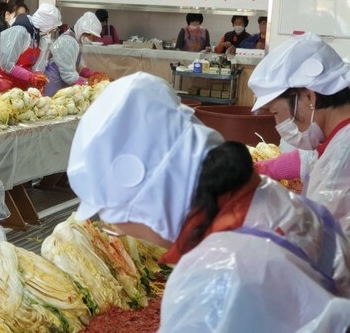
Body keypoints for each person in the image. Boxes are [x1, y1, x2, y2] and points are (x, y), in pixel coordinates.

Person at [68, 71, 350, 332]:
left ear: (146, 201)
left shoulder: (211, 275)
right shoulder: (278, 201)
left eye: (115, 218)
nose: (124, 229)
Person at [248, 32, 350, 234]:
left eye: (275, 112)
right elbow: (307, 159)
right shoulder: (331, 134)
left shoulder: (343, 157)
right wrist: (255, 171)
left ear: (308, 97)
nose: (278, 123)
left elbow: (316, 239)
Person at [44, 11, 108, 96]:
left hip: (61, 85)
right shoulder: (67, 42)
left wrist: (92, 74)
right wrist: (88, 84)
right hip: (54, 85)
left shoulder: (76, 41)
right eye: (91, 36)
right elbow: (68, 76)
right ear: (83, 31)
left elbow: (77, 66)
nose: (92, 39)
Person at [0, 13, 48, 91]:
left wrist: (39, 77)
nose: (50, 32)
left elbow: (37, 66)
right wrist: (30, 76)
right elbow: (7, 64)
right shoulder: (19, 32)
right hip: (4, 81)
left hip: (22, 85)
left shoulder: (40, 38)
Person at [0, 0, 29, 68]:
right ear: (7, 15)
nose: (21, 19)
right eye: (18, 15)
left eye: (23, 16)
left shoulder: (15, 30)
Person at [31, 3, 63, 72]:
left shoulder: (41, 38)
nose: (51, 32)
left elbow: (39, 65)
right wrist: (28, 75)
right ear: (46, 24)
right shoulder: (23, 33)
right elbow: (9, 64)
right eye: (53, 28)